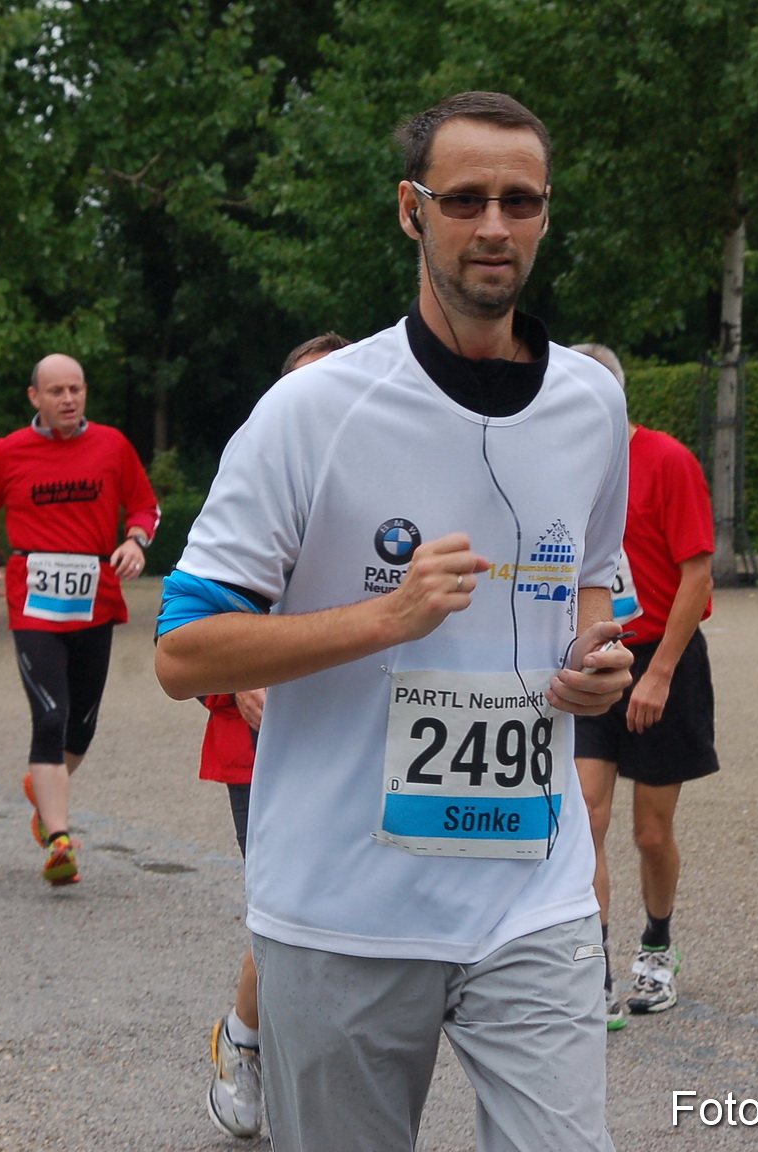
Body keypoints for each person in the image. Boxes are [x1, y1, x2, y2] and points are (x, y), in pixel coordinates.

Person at [155, 92, 634, 1152]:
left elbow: (594, 579)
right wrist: (386, 617)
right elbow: (183, 653)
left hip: (535, 896)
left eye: (521, 200)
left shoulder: (590, 407)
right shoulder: (312, 413)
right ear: (410, 213)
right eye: (464, 199)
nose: (495, 226)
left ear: (547, 215)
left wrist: (594, 656)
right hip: (343, 909)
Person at [201, 330, 348, 1140]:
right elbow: (188, 633)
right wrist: (241, 683)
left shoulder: (397, 477)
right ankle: (245, 1041)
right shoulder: (250, 480)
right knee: (287, 910)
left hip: (368, 740)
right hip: (259, 744)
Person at [0, 353, 158, 888]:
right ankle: (60, 838)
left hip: (95, 595)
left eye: (76, 389)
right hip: (33, 600)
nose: (68, 400)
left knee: (81, 727)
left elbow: (145, 507)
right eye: (56, 392)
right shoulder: (8, 452)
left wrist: (135, 542)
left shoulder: (113, 446)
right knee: (49, 716)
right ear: (35, 398)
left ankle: (43, 792)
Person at [570, 343, 717, 1023]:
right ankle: (592, 966)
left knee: (651, 833)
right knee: (584, 821)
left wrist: (658, 675)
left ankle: (657, 947)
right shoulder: (561, 464)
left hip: (664, 657)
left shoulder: (667, 461)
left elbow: (698, 575)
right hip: (594, 657)